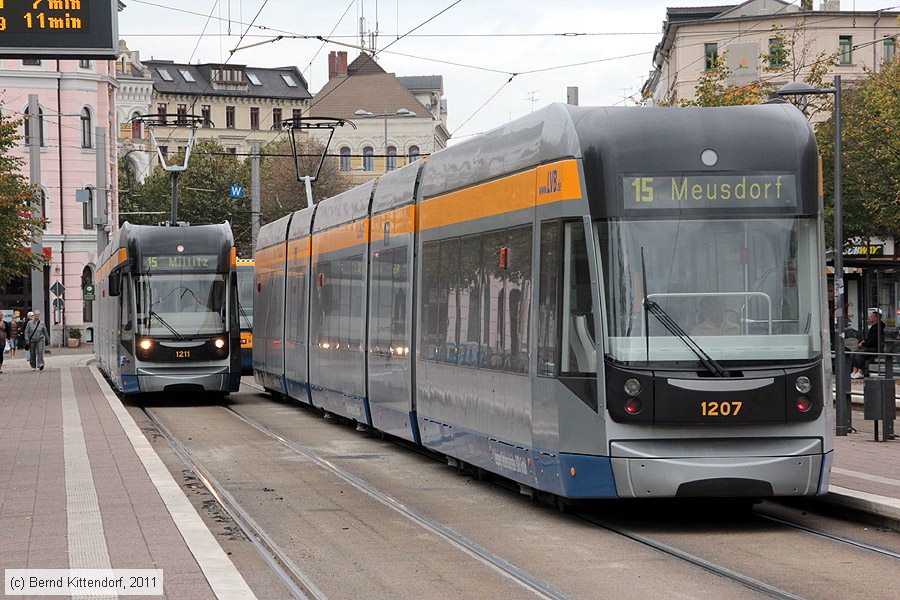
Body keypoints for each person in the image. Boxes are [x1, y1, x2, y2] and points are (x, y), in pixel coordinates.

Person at [851, 308, 886, 379]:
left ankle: (860, 372)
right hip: (871, 347)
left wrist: (863, 344)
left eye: (872, 316)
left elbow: (873, 341)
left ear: (876, 318)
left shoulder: (878, 328)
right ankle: (855, 371)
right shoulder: (874, 327)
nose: (870, 318)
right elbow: (870, 339)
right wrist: (864, 341)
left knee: (859, 355)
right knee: (854, 353)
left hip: (875, 348)